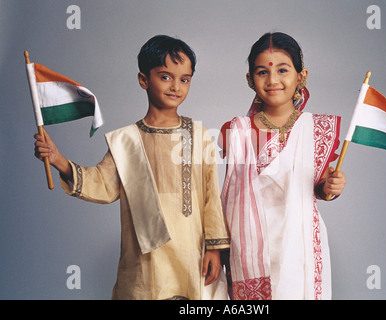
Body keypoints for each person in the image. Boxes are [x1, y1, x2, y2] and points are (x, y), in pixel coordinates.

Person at [34, 35, 230, 300]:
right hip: (145, 260)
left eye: (184, 79)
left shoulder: (198, 134)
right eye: (165, 77)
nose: (176, 86)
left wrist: (215, 248)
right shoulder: (127, 140)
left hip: (191, 253)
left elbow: (211, 197)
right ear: (143, 80)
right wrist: (59, 160)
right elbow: (102, 184)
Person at [219, 32, 346, 300]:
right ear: (249, 79)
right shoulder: (235, 130)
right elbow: (231, 194)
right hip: (248, 247)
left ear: (301, 76)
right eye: (262, 72)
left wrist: (332, 187)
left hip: (299, 246)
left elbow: (320, 188)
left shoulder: (316, 130)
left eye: (283, 70)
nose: (273, 80)